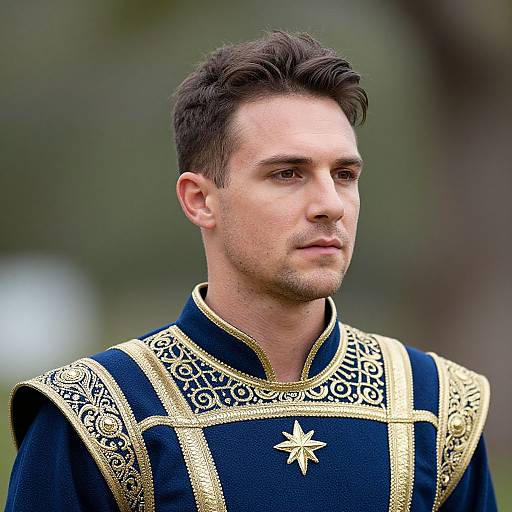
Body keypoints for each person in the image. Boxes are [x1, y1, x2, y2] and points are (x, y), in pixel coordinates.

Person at [5, 31, 496, 512]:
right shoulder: (97, 415)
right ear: (200, 200)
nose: (330, 204)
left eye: (344, 175)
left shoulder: (435, 405)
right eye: (287, 173)